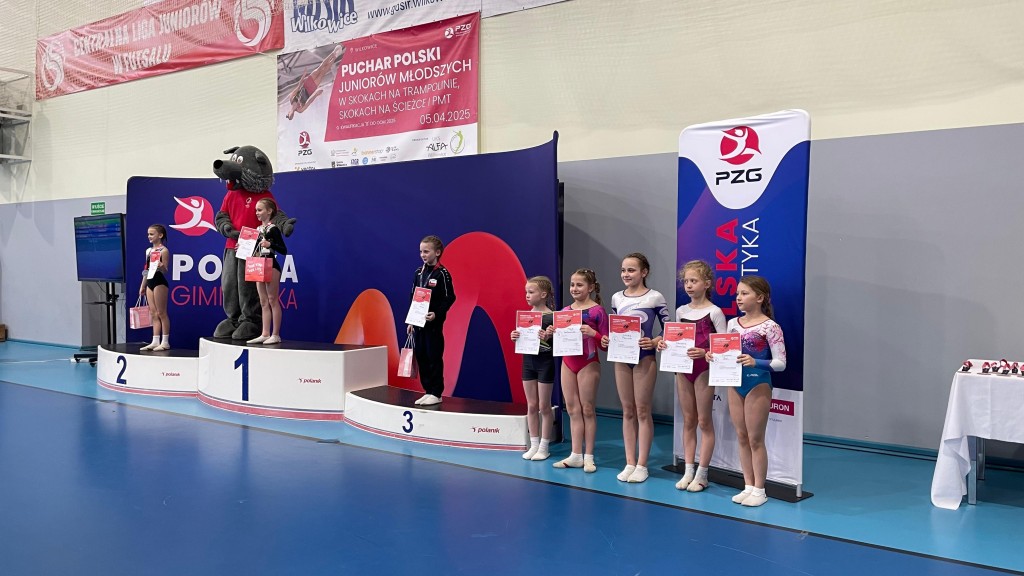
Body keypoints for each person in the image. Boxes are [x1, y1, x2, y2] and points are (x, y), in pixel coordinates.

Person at [707, 276, 786, 507]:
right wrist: (714, 355)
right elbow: (725, 350)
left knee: (755, 439)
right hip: (734, 382)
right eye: (737, 294)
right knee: (741, 436)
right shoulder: (733, 323)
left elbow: (781, 363)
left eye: (744, 293)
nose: (738, 298)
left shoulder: (770, 327)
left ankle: (760, 489)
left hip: (757, 383)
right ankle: (748, 485)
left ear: (759, 297)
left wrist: (756, 362)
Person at [658, 260, 726, 492]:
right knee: (688, 420)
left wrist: (705, 352)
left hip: (703, 370)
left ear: (706, 284)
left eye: (693, 281)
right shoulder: (681, 311)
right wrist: (665, 344)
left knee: (704, 421)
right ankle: (688, 470)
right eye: (686, 281)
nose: (688, 285)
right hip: (683, 369)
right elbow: (677, 338)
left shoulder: (715, 312)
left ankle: (702, 474)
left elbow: (725, 346)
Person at [601, 253, 668, 483]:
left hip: (644, 358)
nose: (626, 274)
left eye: (631, 270)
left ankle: (642, 465)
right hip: (621, 358)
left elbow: (669, 328)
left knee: (642, 410)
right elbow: (614, 327)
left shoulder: (655, 297)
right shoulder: (616, 297)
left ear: (644, 272)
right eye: (623, 270)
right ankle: (630, 462)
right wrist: (607, 339)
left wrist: (655, 341)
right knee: (627, 410)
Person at [552, 268, 607, 473]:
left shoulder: (597, 311)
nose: (574, 288)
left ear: (590, 287)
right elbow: (560, 341)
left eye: (580, 285)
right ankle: (576, 455)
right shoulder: (565, 311)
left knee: (587, 409)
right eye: (572, 284)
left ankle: (589, 456)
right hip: (568, 362)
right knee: (572, 409)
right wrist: (553, 332)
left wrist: (593, 333)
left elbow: (606, 344)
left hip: (588, 362)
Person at [510, 276, 556, 461]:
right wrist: (515, 335)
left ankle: (544, 447)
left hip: (545, 363)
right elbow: (523, 340)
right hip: (528, 363)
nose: (527, 295)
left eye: (531, 292)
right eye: (526, 292)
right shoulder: (526, 316)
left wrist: (549, 336)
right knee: (531, 405)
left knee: (544, 406)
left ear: (543, 294)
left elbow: (557, 345)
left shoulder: (552, 317)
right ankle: (534, 444)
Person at [407, 235, 456, 406]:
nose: (423, 255)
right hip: (418, 323)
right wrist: (411, 321)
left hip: (433, 325)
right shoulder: (418, 273)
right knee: (421, 356)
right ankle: (428, 391)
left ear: (437, 252)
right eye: (421, 251)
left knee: (433, 357)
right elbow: (413, 297)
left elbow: (450, 298)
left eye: (426, 251)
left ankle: (436, 392)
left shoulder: (442, 273)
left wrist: (437, 314)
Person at [247, 199, 288, 345]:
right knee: (263, 301)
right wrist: (242, 247)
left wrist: (270, 244)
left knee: (272, 299)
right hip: (259, 265)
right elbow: (253, 249)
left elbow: (283, 250)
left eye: (260, 210)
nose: (257, 213)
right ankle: (265, 333)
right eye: (256, 210)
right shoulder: (257, 230)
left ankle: (275, 334)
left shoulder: (273, 229)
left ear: (269, 211)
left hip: (271, 265)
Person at [285, 44, 346, 120]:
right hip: (311, 88)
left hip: (307, 83)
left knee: (320, 67)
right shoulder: (300, 109)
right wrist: (316, 94)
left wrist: (303, 76)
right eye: (292, 116)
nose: (292, 114)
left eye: (290, 114)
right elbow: (309, 101)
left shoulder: (291, 98)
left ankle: (333, 53)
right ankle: (335, 56)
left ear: (288, 112)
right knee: (323, 72)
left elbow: (298, 86)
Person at [138, 225, 171, 351]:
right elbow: (146, 270)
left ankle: (165, 342)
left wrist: (161, 265)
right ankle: (155, 341)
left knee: (162, 313)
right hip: (149, 282)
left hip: (159, 282)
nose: (149, 236)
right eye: (148, 234)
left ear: (160, 235)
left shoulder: (164, 251)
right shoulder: (148, 251)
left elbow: (165, 270)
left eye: (152, 234)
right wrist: (143, 286)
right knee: (153, 313)